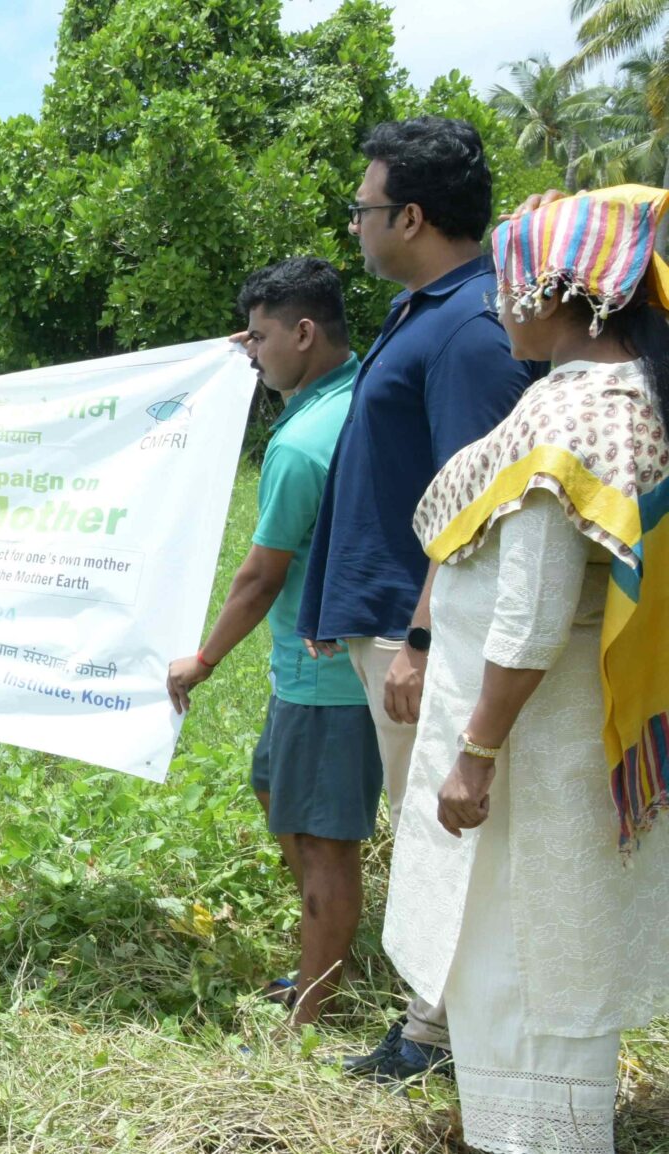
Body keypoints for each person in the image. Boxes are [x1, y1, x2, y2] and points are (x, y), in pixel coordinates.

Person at [383, 185, 669, 1154]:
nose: (500, 305)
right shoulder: (623, 396)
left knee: (524, 963)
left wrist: (475, 753)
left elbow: (531, 611)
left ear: (555, 291)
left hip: (534, 756)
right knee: (548, 953)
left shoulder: (574, 421)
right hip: (571, 741)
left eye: (509, 284)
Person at [299, 115, 534, 1081]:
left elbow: (473, 498)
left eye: (362, 208)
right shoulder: (425, 310)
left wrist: (423, 639)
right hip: (390, 622)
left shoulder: (471, 330)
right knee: (415, 823)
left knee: (438, 835)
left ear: (412, 214)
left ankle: (438, 1036)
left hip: (419, 630)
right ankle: (434, 1022)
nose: (354, 225)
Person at [168, 257, 381, 1027]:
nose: (250, 353)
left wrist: (203, 660)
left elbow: (258, 577)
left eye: (260, 339)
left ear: (304, 332)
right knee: (276, 787)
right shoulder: (363, 390)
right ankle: (328, 947)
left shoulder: (299, 448)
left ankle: (316, 1004)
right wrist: (235, 357)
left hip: (323, 674)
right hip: (342, 665)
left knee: (324, 842)